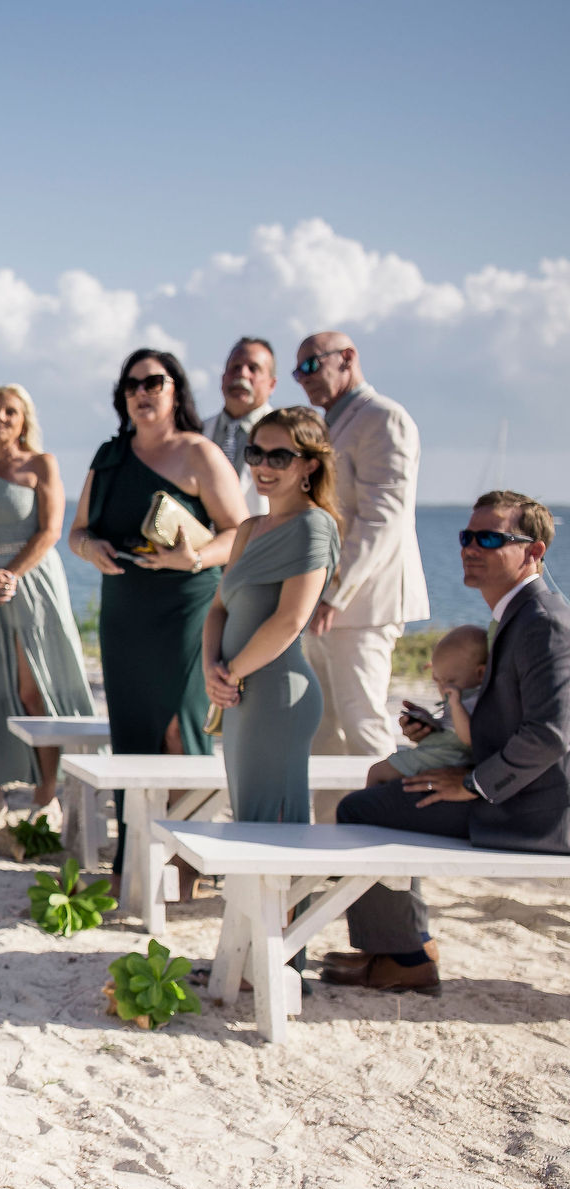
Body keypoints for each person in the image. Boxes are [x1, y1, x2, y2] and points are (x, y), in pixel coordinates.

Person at [323, 491, 569, 995]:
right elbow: (507, 717)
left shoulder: (542, 621)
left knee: (362, 811)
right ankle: (407, 945)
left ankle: (404, 957)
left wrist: (474, 784)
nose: (470, 547)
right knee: (378, 798)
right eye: (466, 536)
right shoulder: (516, 615)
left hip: (531, 810)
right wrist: (437, 733)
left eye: (490, 538)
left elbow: (551, 733)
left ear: (534, 552)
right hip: (513, 793)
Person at [69, 349, 247, 883]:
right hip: (125, 610)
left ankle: (187, 860)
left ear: (176, 390)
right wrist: (89, 550)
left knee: (179, 727)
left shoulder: (199, 453)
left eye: (153, 381)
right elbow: (76, 531)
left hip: (188, 605)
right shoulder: (107, 456)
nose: (141, 392)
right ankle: (140, 862)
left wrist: (193, 556)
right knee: (134, 732)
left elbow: (239, 532)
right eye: (131, 385)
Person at [291, 332, 429, 819]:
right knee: (324, 729)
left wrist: (336, 592)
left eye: (312, 364)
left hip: (363, 602)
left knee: (364, 724)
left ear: (347, 358)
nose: (304, 377)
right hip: (322, 602)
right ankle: (332, 835)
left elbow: (382, 517)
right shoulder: (328, 424)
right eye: (298, 371)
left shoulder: (383, 418)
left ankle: (385, 847)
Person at [0, 384, 95, 830]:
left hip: (33, 583)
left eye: (11, 411)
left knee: (34, 688)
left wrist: (11, 573)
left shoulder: (41, 464)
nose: (1, 418)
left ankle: (47, 793)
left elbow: (51, 530)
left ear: (24, 419)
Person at [202, 406, 342, 825]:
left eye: (278, 457)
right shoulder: (249, 528)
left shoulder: (314, 525)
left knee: (273, 825)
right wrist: (212, 668)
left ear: (309, 464)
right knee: (249, 817)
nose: (263, 466)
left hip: (277, 694)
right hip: (239, 694)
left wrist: (230, 673)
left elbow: (290, 621)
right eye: (255, 453)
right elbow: (218, 609)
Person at [364, 626, 488, 787]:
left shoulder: (476, 699)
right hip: (443, 748)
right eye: (438, 680)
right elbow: (450, 725)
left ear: (481, 673)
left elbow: (469, 738)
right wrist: (429, 722)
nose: (443, 688)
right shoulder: (463, 692)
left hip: (450, 755)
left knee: (377, 772)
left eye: (450, 680)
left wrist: (456, 705)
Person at [204, 337, 278, 512]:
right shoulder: (196, 432)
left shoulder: (287, 436)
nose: (242, 374)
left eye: (253, 368)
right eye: (235, 367)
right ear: (223, 378)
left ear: (272, 384)